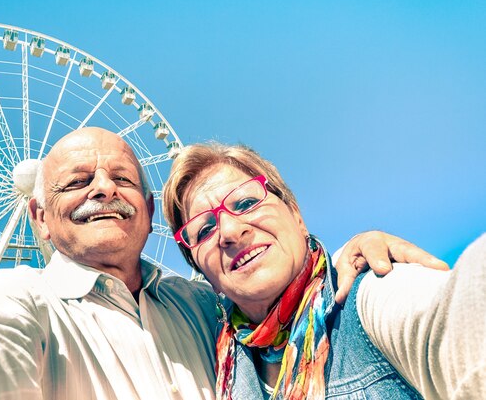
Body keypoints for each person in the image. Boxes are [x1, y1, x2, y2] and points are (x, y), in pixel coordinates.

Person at [0, 128, 448, 400]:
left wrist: (361, 251)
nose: (103, 190)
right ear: (38, 217)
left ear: (145, 215)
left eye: (122, 179)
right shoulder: (18, 299)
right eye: (76, 182)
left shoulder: (214, 309)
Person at [162, 141, 485, 400]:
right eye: (204, 230)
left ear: (296, 215)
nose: (229, 232)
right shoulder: (218, 367)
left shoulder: (372, 295)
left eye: (246, 203)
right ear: (203, 274)